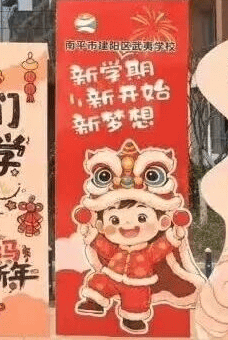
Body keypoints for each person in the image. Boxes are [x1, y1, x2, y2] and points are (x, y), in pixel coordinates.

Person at [72, 141, 203, 335]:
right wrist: (89, 233)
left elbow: (162, 247)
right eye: (115, 220)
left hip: (138, 284)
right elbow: (103, 246)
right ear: (101, 225)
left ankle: (133, 319)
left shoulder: (148, 252)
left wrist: (174, 235)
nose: (127, 226)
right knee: (98, 282)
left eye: (142, 218)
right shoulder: (115, 249)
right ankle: (94, 302)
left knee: (137, 302)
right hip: (111, 277)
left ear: (162, 223)